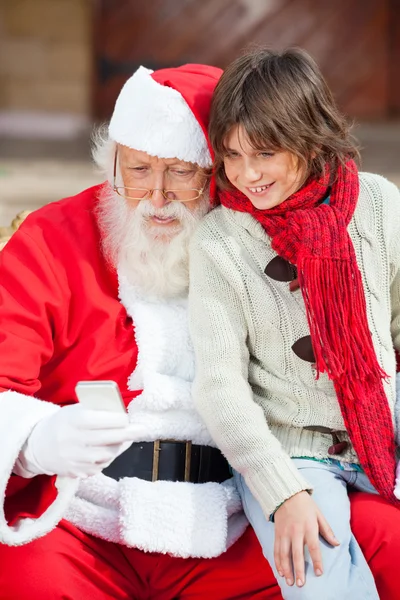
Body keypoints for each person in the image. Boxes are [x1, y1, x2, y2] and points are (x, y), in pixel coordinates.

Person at [0, 60, 398, 600]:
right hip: (83, 520)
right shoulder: (54, 237)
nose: (156, 197)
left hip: (231, 522)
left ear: (217, 173)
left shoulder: (269, 232)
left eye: (181, 173)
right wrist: (36, 440)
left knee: (382, 539)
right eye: (137, 171)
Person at [188, 47, 400, 600]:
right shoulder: (221, 240)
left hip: (384, 430)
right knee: (322, 589)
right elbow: (220, 386)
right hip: (292, 452)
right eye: (231, 154)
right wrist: (284, 493)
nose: (245, 174)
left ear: (310, 137)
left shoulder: (378, 204)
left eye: (264, 152)